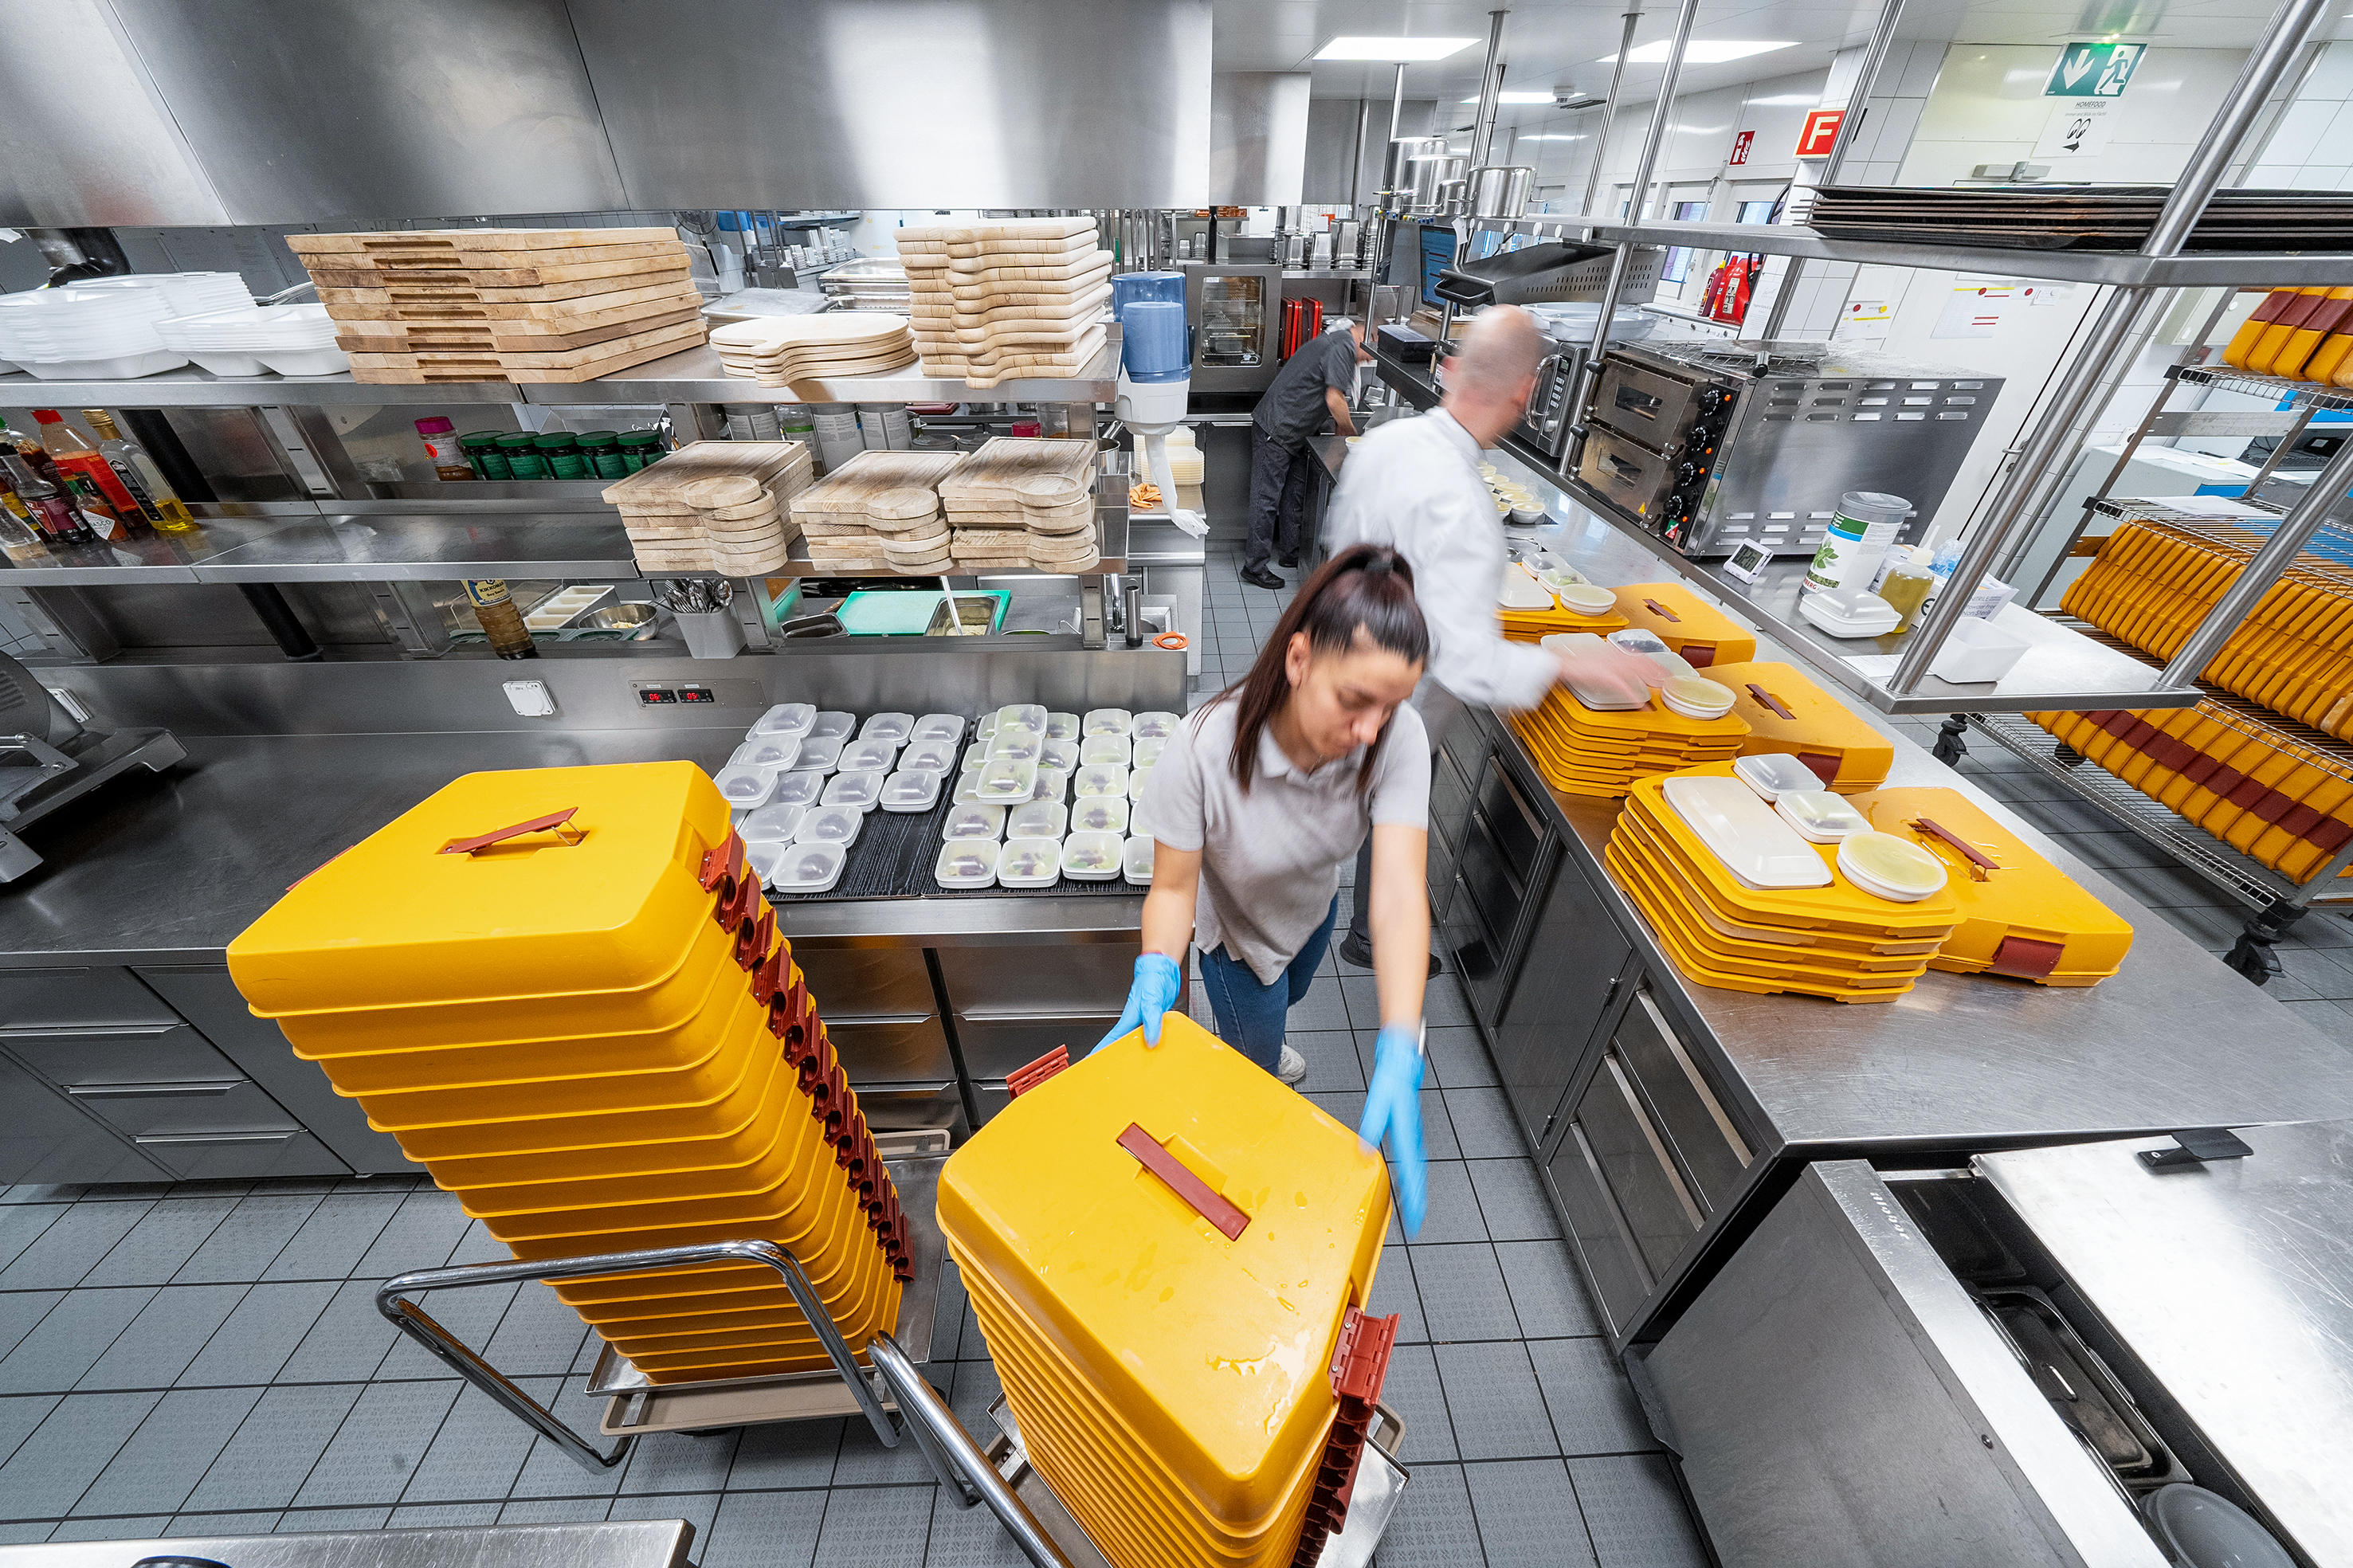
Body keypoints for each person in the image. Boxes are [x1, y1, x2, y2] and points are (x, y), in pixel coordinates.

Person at [1095, 544, 1435, 1236]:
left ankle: (1270, 1037)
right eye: (1355, 701)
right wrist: (1160, 964)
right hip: (1240, 944)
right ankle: (1256, 1081)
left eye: (1391, 707)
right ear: (1300, 659)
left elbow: (1400, 893)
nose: (1371, 731)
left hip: (1311, 912)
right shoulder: (1202, 751)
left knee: (1295, 990)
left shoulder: (1394, 739)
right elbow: (1172, 887)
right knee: (1253, 1059)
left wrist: (1402, 1040)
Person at [1323, 304, 1571, 972]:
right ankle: (1372, 940)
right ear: (1525, 391)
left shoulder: (1389, 443)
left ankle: (1357, 932)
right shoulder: (1464, 506)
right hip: (1400, 709)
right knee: (1389, 811)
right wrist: (1569, 663)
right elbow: (1467, 666)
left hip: (1338, 672)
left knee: (1347, 816)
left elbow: (1339, 553)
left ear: (1450, 369)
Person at [1242, 317, 1374, 590]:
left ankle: (1291, 554)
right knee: (1265, 499)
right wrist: (1352, 434)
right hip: (1278, 427)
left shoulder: (1338, 343)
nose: (1367, 360)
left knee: (1295, 495)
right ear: (1365, 334)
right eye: (1370, 352)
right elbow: (1334, 399)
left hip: (1298, 432)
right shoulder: (1343, 348)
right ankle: (1254, 567)